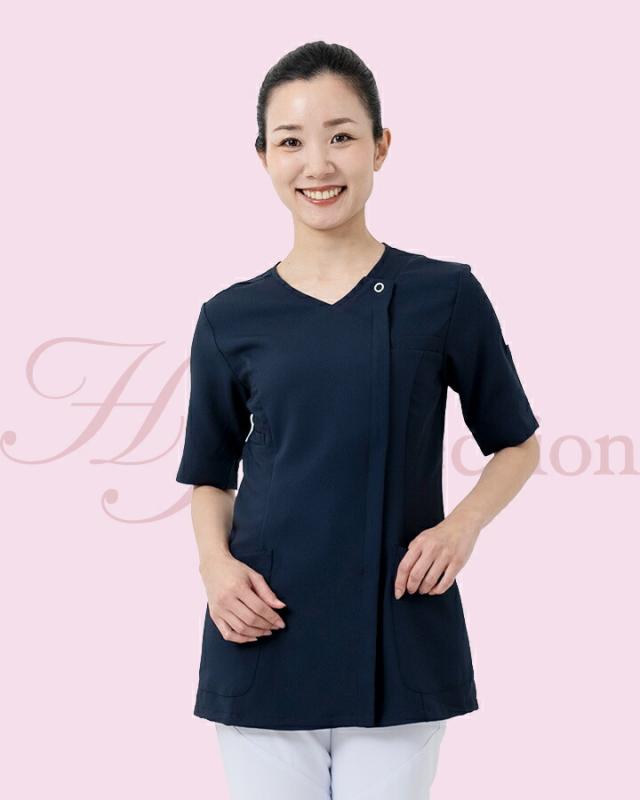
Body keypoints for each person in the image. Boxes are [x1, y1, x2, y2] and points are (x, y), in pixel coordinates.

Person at [175, 40, 540, 800]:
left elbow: (516, 443)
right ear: (263, 158)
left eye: (341, 136)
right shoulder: (228, 316)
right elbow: (209, 474)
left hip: (400, 634)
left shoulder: (445, 295)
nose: (318, 164)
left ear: (380, 146)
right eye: (291, 142)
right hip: (262, 628)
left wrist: (461, 528)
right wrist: (215, 569)